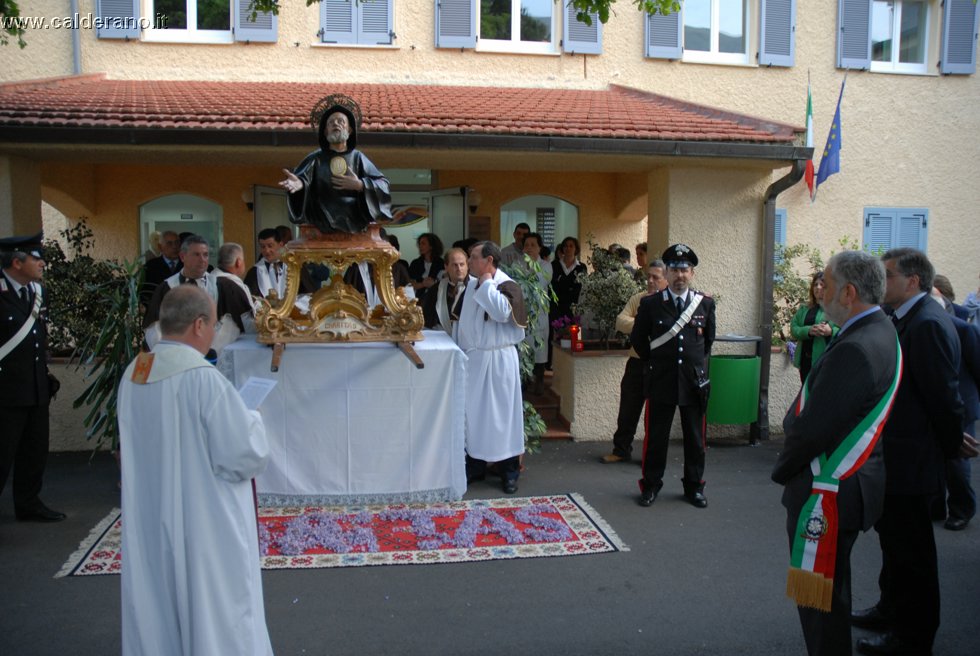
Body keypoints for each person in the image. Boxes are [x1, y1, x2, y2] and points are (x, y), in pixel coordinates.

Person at [118, 285, 272, 655]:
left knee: (158, 599)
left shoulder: (134, 373)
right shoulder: (203, 379)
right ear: (199, 324)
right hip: (203, 519)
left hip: (152, 514)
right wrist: (252, 419)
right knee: (214, 603)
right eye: (214, 323)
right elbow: (242, 455)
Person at [772, 251, 901, 656]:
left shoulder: (856, 347)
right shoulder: (879, 330)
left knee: (821, 603)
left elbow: (813, 427)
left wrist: (782, 469)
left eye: (826, 282)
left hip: (829, 490)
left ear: (848, 292)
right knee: (831, 594)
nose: (819, 288)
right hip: (853, 484)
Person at [852, 248, 977, 656]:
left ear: (913, 281)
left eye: (887, 275)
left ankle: (912, 635)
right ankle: (890, 611)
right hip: (898, 457)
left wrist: (952, 441)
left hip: (914, 460)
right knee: (895, 545)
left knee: (913, 553)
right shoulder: (905, 318)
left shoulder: (926, 324)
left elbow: (944, 395)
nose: (881, 281)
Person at [630, 243, 716, 509]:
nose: (680, 275)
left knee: (695, 439)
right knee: (656, 438)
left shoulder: (705, 304)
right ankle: (651, 486)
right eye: (675, 270)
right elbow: (639, 340)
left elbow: (708, 342)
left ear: (692, 274)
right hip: (662, 379)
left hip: (693, 382)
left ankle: (694, 487)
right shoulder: (650, 304)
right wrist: (656, 363)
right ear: (666, 273)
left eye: (685, 270)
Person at [0, 233, 65, 523]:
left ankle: (28, 503)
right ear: (16, 262)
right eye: (36, 259)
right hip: (5, 390)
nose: (42, 264)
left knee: (34, 450)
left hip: (35, 387)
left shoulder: (38, 293)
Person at [458, 241, 527, 494]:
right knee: (474, 415)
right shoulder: (471, 286)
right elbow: (465, 323)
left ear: (488, 261)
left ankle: (509, 472)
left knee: (503, 417)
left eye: (474, 257)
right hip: (476, 359)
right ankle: (475, 465)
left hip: (499, 361)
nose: (469, 261)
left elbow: (500, 313)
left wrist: (487, 282)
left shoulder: (507, 285)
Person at [279, 95, 393, 233]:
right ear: (325, 131)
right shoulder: (315, 158)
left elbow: (383, 184)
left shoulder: (358, 157)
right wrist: (301, 185)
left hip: (354, 219)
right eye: (331, 122)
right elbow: (304, 180)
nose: (336, 124)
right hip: (322, 217)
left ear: (349, 130)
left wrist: (361, 185)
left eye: (341, 121)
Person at [601, 259, 667, 464]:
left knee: (656, 414)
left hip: (660, 365)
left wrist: (642, 325)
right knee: (628, 408)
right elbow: (621, 321)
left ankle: (651, 455)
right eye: (648, 276)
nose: (650, 280)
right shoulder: (638, 298)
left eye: (655, 277)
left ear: (666, 279)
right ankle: (621, 450)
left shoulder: (669, 302)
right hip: (637, 362)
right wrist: (644, 323)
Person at [143, 235, 253, 356]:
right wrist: (172, 354)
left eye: (205, 255)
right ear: (183, 256)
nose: (202, 260)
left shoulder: (225, 287)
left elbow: (246, 323)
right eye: (196, 255)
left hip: (218, 357)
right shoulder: (167, 288)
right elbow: (154, 330)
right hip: (179, 357)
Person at [929, 287, 980, 532]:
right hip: (934, 403)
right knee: (933, 458)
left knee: (957, 461)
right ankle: (936, 504)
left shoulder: (965, 329)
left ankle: (962, 508)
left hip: (961, 405)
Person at [790, 271, 839, 383]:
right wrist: (808, 331)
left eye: (822, 285)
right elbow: (794, 329)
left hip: (825, 362)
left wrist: (830, 331)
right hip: (805, 361)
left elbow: (845, 330)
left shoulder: (836, 310)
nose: (818, 287)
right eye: (815, 284)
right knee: (806, 394)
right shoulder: (804, 308)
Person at [519, 232, 552, 395]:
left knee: (539, 352)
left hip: (539, 315)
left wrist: (531, 265)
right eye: (526, 245)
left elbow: (539, 282)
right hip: (522, 315)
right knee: (523, 350)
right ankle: (523, 383)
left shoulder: (546, 265)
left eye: (533, 245)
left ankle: (539, 382)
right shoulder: (517, 266)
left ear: (539, 248)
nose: (529, 248)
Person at [421, 247, 471, 339]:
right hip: (444, 340)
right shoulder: (436, 289)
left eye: (462, 264)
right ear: (446, 267)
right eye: (455, 265)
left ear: (467, 266)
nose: (459, 268)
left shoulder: (477, 287)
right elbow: (427, 318)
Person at [244, 228, 288, 300]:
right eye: (263, 247)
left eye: (270, 246)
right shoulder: (254, 272)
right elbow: (250, 299)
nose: (267, 251)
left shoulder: (293, 267)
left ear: (281, 245)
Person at [140, 230, 181, 304]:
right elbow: (145, 292)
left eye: (177, 243)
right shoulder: (151, 266)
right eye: (169, 243)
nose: (174, 246)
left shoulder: (187, 264)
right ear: (160, 247)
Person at [408, 232, 444, 300]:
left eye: (423, 244)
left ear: (431, 246)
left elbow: (444, 283)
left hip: (436, 298)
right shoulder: (415, 263)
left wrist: (434, 284)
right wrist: (423, 284)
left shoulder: (441, 263)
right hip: (418, 299)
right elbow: (409, 285)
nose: (420, 246)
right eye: (419, 244)